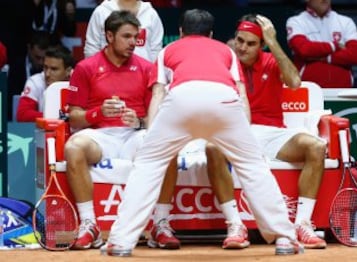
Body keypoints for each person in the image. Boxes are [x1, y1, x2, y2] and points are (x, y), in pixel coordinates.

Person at [103, 9, 303, 257]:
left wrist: (152, 140)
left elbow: (158, 95)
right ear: (210, 34)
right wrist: (244, 139)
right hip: (224, 103)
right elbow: (241, 95)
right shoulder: (226, 51)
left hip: (181, 100)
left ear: (180, 32)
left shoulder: (167, 51)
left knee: (148, 164)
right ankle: (284, 237)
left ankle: (121, 241)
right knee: (253, 165)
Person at [230, 13, 327, 249]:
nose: (243, 48)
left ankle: (302, 223)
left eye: (251, 43)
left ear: (262, 44)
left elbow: (294, 82)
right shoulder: (226, 61)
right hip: (236, 133)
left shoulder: (272, 60)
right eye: (240, 40)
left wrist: (273, 42)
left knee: (315, 146)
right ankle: (235, 224)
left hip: (273, 134)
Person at [64, 10, 153, 250]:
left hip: (134, 135)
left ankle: (159, 223)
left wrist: (139, 121)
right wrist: (98, 113)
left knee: (160, 146)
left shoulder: (146, 68)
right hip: (99, 136)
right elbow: (74, 117)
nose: (133, 43)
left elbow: (154, 119)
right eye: (127, 36)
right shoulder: (85, 68)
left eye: (136, 37)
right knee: (73, 147)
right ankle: (89, 225)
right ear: (109, 36)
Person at [286, 0, 357, 88]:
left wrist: (325, 57)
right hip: (308, 91)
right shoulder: (296, 21)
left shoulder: (346, 21)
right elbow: (304, 49)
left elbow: (356, 54)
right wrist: (335, 46)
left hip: (342, 91)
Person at [84, 0, 164, 62]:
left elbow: (156, 50)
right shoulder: (101, 12)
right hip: (106, 74)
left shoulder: (151, 14)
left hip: (143, 76)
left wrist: (151, 76)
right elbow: (92, 49)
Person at [16, 45, 74, 122]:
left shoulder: (80, 81)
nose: (47, 74)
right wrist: (56, 117)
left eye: (54, 69)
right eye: (45, 67)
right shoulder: (36, 81)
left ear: (68, 71)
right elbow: (22, 114)